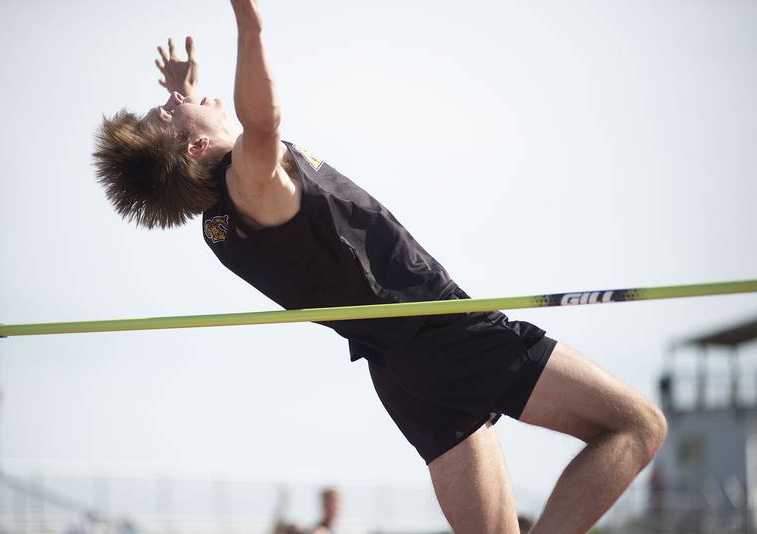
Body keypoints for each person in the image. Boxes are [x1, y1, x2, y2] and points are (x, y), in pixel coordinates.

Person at [93, 1, 667, 532]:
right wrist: (249, 19)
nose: (177, 102)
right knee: (637, 426)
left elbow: (212, 140)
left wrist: (184, 94)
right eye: (169, 113)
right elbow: (260, 121)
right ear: (193, 149)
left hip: (402, 368)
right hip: (440, 332)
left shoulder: (221, 218)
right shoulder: (249, 182)